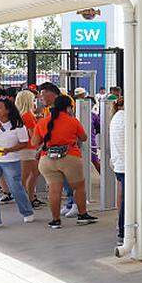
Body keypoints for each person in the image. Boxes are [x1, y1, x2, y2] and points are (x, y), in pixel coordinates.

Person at [32, 94, 98, 229]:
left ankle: (55, 220)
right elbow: (84, 137)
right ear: (68, 108)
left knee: (54, 190)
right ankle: (82, 215)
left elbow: (34, 142)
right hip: (69, 158)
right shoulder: (72, 121)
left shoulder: (43, 122)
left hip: (47, 160)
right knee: (78, 188)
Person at [0, 97, 35, 226]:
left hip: (11, 160)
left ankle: (27, 212)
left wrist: (10, 149)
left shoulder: (18, 125)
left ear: (7, 110)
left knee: (15, 187)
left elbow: (24, 142)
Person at [15, 90, 41, 209]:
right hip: (29, 149)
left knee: (30, 174)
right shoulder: (28, 115)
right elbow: (33, 134)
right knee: (29, 175)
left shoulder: (19, 115)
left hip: (24, 149)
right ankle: (26, 201)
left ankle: (29, 198)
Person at [109, 97, 127, 244]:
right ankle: (123, 231)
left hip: (118, 163)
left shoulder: (115, 117)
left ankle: (120, 227)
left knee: (121, 195)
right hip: (127, 164)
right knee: (128, 200)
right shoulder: (126, 118)